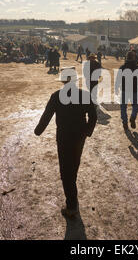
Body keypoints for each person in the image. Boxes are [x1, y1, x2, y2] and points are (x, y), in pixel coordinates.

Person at [34, 70, 97, 218]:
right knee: (73, 167)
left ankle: (72, 206)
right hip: (79, 137)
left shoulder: (56, 96)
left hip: (63, 137)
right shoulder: (84, 95)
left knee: (65, 172)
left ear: (63, 81)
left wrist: (38, 131)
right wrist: (86, 132)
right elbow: (93, 116)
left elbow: (46, 116)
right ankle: (72, 199)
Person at [115, 51, 138, 130]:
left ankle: (125, 122)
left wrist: (116, 88)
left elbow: (118, 79)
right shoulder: (137, 68)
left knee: (123, 107)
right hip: (134, 90)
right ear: (134, 58)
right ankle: (133, 117)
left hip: (124, 90)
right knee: (136, 105)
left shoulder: (122, 67)